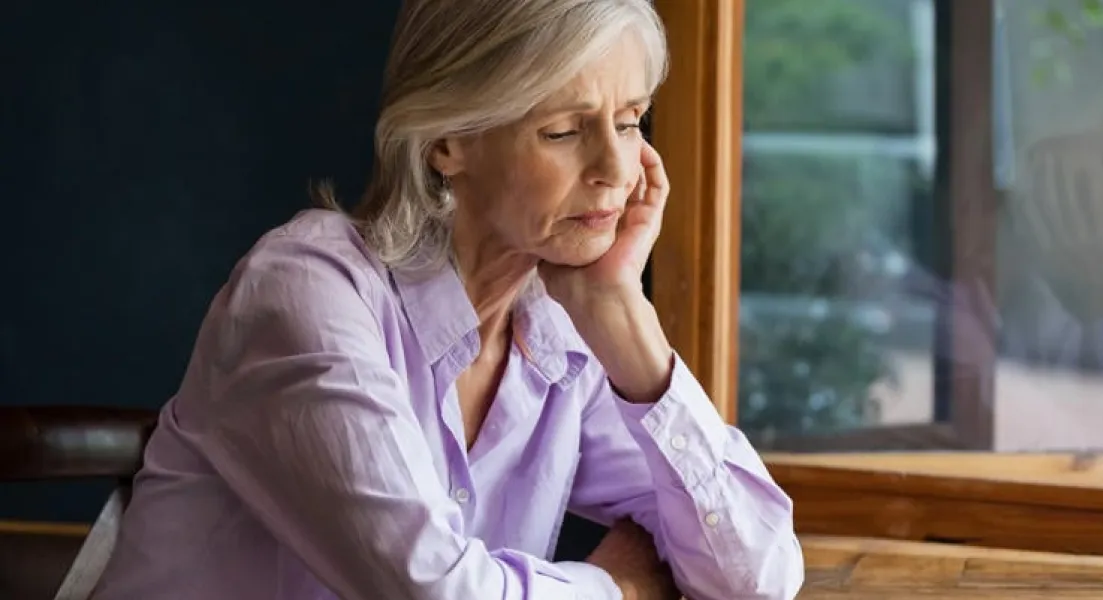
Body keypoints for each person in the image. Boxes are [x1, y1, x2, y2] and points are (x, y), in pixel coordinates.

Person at [91, 1, 805, 598]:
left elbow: (759, 575)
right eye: (563, 130)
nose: (617, 169)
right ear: (446, 140)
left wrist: (625, 318)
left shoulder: (559, 329)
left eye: (629, 120)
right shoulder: (303, 295)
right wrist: (612, 588)